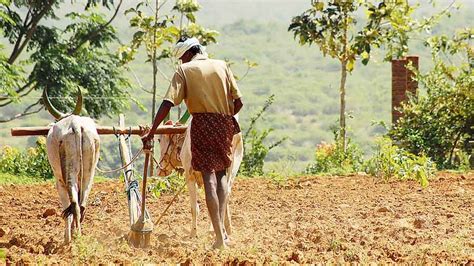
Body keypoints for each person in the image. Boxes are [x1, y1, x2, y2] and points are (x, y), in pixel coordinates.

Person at [141, 36, 243, 249]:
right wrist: (224, 117)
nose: (181, 62)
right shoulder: (222, 65)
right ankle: (222, 233)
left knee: (208, 179)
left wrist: (152, 130)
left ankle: (218, 238)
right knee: (222, 176)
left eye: (181, 58)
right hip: (225, 123)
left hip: (202, 124)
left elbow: (168, 102)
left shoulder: (185, 71)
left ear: (187, 54)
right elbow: (239, 101)